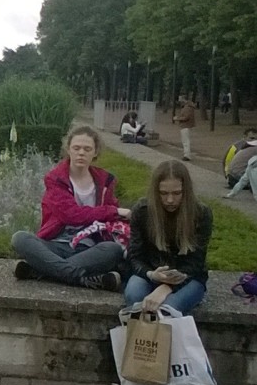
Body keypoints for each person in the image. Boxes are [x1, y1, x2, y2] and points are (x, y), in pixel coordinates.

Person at [11, 126, 130, 291]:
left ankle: (40, 272)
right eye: (76, 148)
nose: (81, 153)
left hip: (90, 247)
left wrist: (117, 214)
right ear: (68, 150)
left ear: (95, 152)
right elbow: (72, 215)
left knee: (113, 249)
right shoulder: (55, 179)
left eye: (87, 149)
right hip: (56, 244)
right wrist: (113, 211)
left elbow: (111, 220)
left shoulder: (105, 180)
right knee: (20, 238)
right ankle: (85, 279)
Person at [125, 160, 211, 316]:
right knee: (134, 297)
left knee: (168, 308)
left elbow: (196, 262)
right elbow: (135, 256)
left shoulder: (201, 214)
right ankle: (138, 332)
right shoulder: (142, 211)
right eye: (163, 193)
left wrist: (167, 287)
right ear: (155, 192)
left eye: (177, 193)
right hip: (150, 272)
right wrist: (152, 275)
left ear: (186, 191)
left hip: (188, 277)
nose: (170, 200)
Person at [173, 96, 196, 161]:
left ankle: (187, 155)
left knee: (185, 141)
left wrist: (177, 118)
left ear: (183, 100)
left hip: (185, 126)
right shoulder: (189, 107)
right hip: (187, 126)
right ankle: (186, 154)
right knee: (186, 141)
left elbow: (186, 117)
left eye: (180, 100)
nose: (179, 102)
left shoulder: (187, 108)